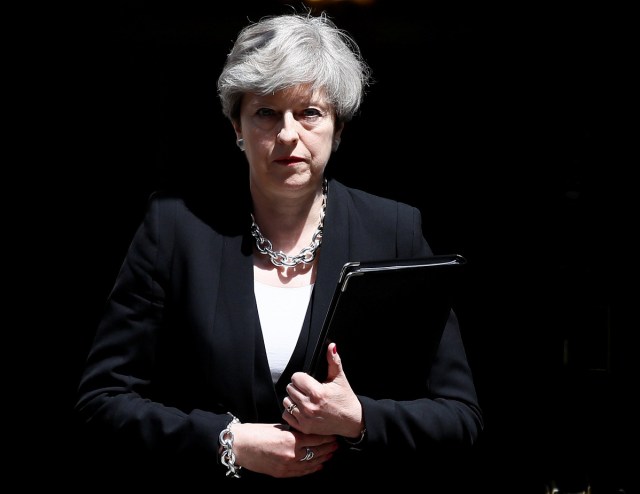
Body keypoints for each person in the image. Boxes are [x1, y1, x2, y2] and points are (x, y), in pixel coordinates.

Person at [74, 10, 483, 487]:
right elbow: (101, 401)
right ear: (236, 126)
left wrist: (358, 420)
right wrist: (230, 443)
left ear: (339, 126)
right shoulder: (176, 229)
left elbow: (460, 417)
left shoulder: (393, 231)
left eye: (309, 112)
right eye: (266, 112)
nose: (289, 134)